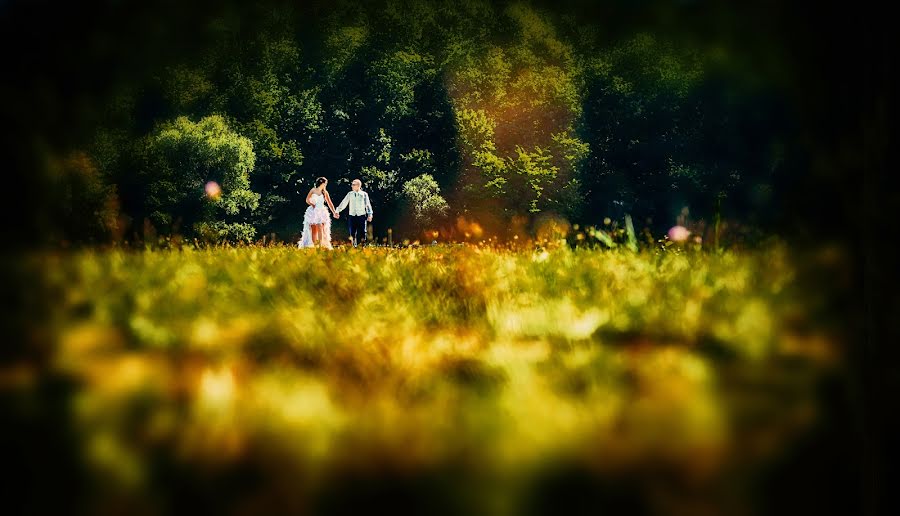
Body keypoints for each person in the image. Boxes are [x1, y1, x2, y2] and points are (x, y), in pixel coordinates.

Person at [298, 177, 337, 249]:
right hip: (313, 211)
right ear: (322, 183)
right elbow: (307, 199)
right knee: (313, 229)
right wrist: (312, 204)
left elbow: (329, 203)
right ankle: (314, 245)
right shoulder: (313, 190)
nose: (325, 185)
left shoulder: (325, 192)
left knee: (320, 227)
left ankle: (320, 246)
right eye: (325, 183)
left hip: (321, 211)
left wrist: (334, 212)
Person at [334, 178, 373, 247]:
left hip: (361, 215)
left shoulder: (364, 194)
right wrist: (337, 211)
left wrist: (370, 214)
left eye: (353, 185)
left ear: (358, 186)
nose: (352, 186)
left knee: (362, 231)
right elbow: (344, 203)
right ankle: (352, 246)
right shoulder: (350, 194)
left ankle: (361, 246)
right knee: (352, 232)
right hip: (352, 216)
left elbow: (367, 205)